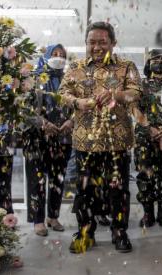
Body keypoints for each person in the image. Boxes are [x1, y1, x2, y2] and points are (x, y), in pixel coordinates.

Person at [60, 21, 141, 254]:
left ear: (113, 43)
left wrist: (116, 94)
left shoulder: (127, 66)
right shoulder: (75, 67)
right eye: (92, 42)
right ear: (85, 43)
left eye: (102, 42)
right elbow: (62, 95)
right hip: (85, 141)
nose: (97, 47)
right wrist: (78, 102)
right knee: (85, 190)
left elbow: (137, 93)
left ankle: (119, 231)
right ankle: (86, 231)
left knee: (119, 189)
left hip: (117, 141)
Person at [23, 44, 73, 236]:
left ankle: (53, 216)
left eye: (62, 54)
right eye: (55, 54)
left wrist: (71, 121)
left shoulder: (69, 80)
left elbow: (77, 105)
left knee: (57, 180)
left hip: (62, 137)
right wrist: (43, 123)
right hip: (37, 138)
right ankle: (38, 220)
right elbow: (24, 109)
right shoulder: (33, 79)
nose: (59, 57)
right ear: (46, 56)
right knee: (37, 180)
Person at [134, 49, 162, 228]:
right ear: (148, 63)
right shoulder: (141, 85)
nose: (158, 61)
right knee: (145, 175)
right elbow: (135, 109)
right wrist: (150, 128)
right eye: (155, 58)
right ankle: (147, 213)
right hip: (145, 136)